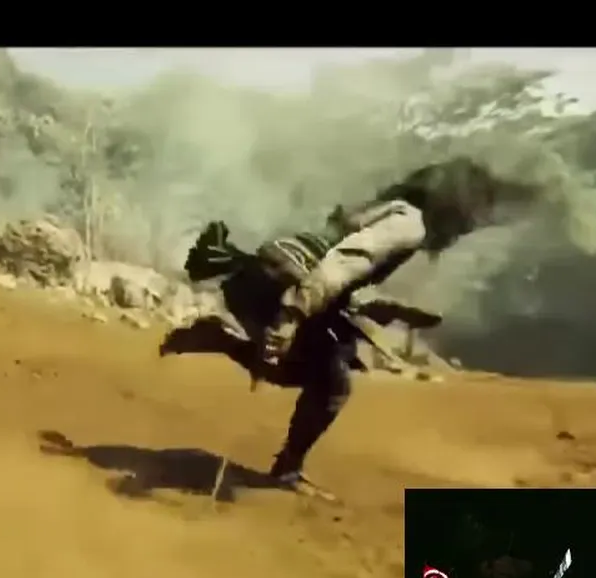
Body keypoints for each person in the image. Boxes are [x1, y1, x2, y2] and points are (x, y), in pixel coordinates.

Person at [162, 158, 540, 496]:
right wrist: (292, 316)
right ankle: (285, 467)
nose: (467, 227)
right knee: (330, 383)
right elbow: (344, 263)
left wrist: (390, 310)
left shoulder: (392, 207)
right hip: (289, 277)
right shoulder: (410, 225)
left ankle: (223, 342)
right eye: (469, 217)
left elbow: (345, 269)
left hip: (272, 265)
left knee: (311, 368)